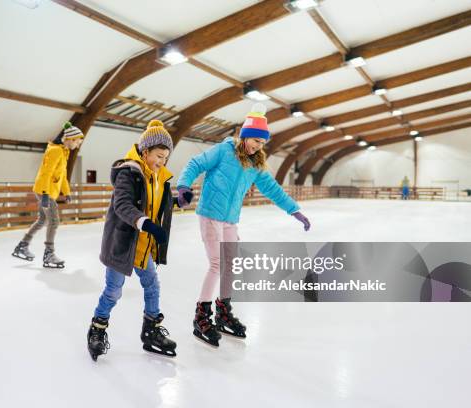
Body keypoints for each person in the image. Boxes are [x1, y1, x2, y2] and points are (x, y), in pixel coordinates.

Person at [176, 103, 311, 347]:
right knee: (217, 264)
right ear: (245, 136)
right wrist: (184, 186)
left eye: (262, 143)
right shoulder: (223, 150)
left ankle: (223, 311)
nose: (258, 146)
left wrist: (294, 210)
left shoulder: (256, 164)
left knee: (231, 264)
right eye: (255, 140)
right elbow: (195, 164)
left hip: (229, 219)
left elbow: (273, 189)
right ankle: (201, 316)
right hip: (210, 214)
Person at [87, 120, 178, 361]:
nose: (161, 162)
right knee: (113, 291)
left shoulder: (157, 176)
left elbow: (157, 202)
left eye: (165, 159)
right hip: (123, 244)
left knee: (152, 284)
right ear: (145, 150)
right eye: (158, 156)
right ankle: (97, 329)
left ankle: (151, 330)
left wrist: (178, 199)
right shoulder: (128, 172)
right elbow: (123, 205)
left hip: (143, 246)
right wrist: (146, 224)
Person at [12, 122, 84, 268]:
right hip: (46, 191)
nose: (77, 146)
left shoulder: (64, 152)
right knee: (54, 221)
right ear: (70, 139)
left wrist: (66, 192)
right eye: (77, 142)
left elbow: (62, 175)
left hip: (49, 191)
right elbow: (46, 173)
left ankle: (22, 245)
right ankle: (49, 254)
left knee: (43, 220)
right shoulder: (55, 151)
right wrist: (45, 194)